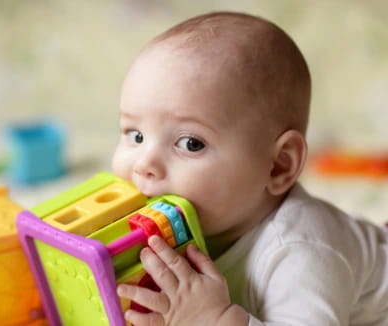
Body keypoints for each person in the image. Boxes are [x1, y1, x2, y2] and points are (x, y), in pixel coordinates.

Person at [111, 11, 388, 326]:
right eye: (136, 135)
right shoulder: (194, 225)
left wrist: (213, 320)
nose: (145, 164)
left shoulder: (301, 252)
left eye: (191, 143)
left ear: (278, 166)